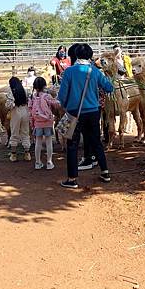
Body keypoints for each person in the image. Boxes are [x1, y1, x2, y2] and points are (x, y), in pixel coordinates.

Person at [58, 43, 114, 188]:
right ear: (90, 56)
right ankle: (105, 172)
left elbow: (62, 96)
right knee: (96, 141)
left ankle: (72, 179)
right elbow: (109, 87)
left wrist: (66, 106)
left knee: (72, 144)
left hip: (74, 112)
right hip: (93, 112)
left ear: (76, 55)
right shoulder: (94, 71)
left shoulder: (69, 72)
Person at [28, 76, 60, 170]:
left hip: (37, 122)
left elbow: (30, 110)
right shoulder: (47, 96)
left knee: (38, 142)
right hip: (48, 122)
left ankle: (37, 162)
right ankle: (49, 162)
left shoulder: (32, 97)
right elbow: (56, 104)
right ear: (44, 86)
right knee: (49, 142)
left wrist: (32, 122)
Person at [6, 77, 31, 162]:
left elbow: (8, 105)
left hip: (15, 111)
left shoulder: (11, 92)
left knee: (14, 132)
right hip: (25, 110)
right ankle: (27, 154)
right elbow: (29, 100)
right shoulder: (25, 90)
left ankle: (13, 154)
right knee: (25, 132)